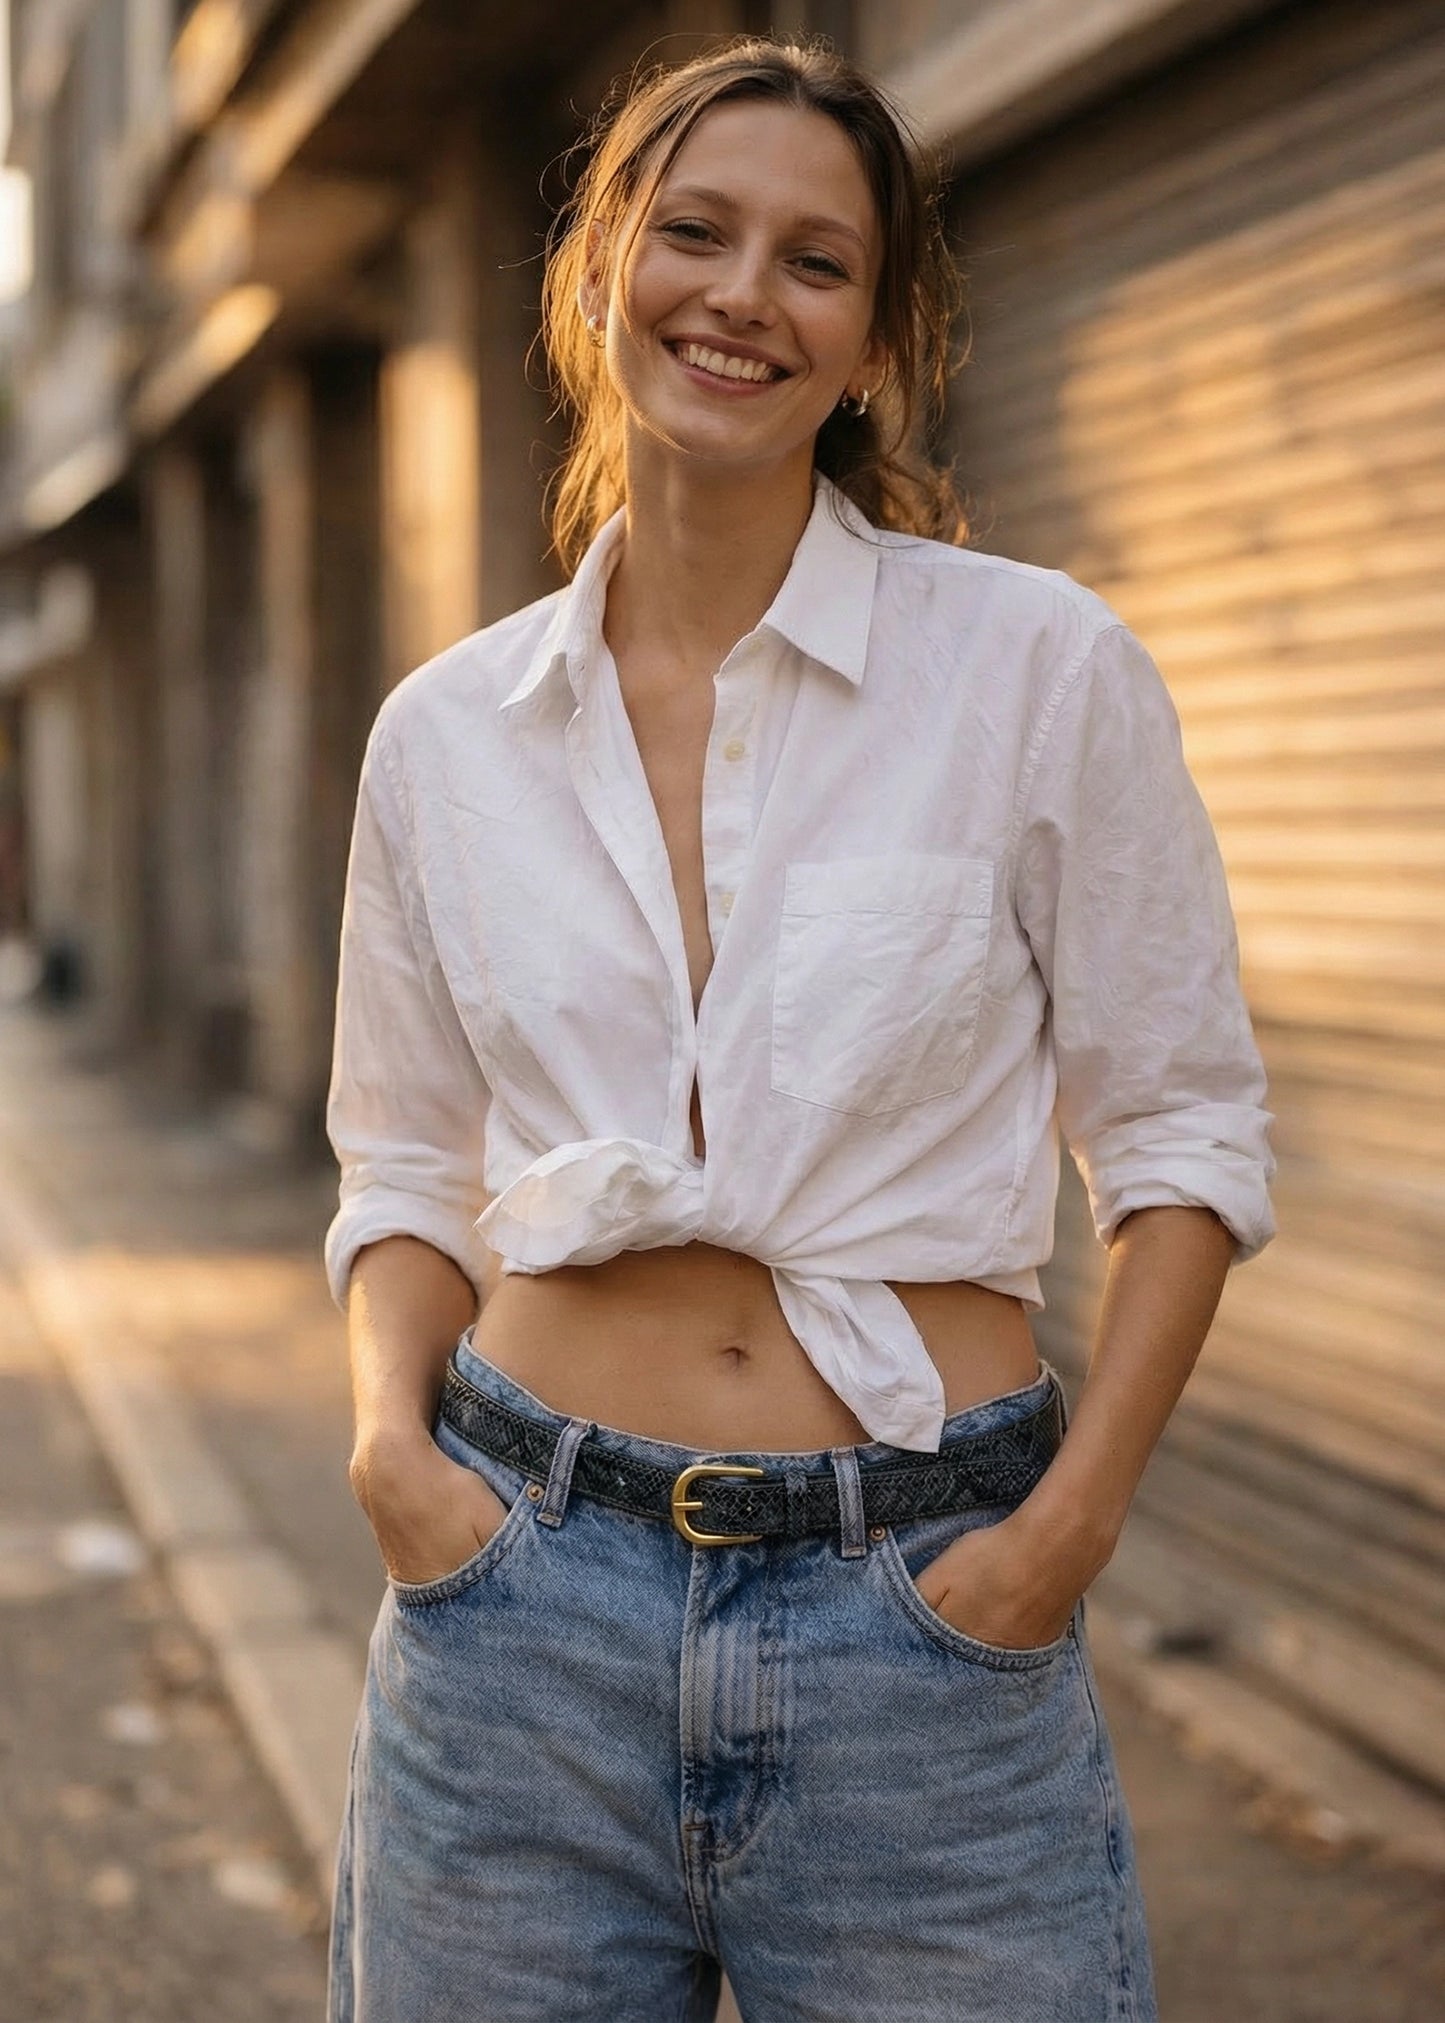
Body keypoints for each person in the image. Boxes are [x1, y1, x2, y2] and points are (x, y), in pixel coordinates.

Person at [323, 34, 1274, 2023]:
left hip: (925, 1623)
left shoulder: (1033, 667)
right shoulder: (446, 735)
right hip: (518, 1614)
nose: (742, 293)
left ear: (873, 340)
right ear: (598, 274)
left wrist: (1060, 1537)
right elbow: (404, 1163)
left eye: (815, 261)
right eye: (696, 232)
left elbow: (1181, 1139)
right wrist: (396, 1463)